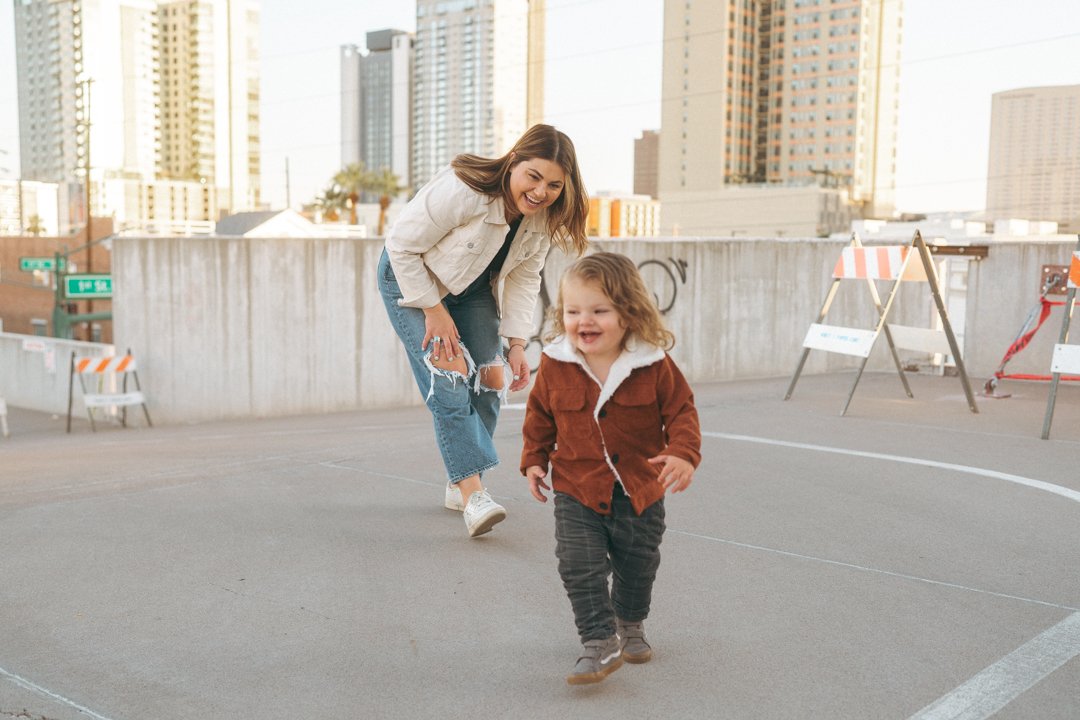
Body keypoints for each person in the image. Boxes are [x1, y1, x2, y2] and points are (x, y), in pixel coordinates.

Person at [378, 124, 589, 538]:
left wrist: (515, 344)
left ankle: (460, 481)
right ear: (513, 161)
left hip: (471, 291)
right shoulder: (466, 190)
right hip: (411, 280)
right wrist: (434, 310)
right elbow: (401, 246)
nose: (541, 191)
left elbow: (527, 278)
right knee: (450, 376)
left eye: (553, 185)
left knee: (492, 380)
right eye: (533, 176)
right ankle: (474, 494)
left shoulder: (541, 219)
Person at [520, 252, 702, 685]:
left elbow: (682, 412)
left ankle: (631, 624)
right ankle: (598, 641)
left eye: (600, 311)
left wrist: (683, 454)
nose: (585, 321)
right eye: (573, 311)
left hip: (640, 488)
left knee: (637, 565)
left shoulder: (652, 364)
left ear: (628, 313)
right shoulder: (555, 361)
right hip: (577, 486)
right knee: (576, 563)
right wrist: (533, 460)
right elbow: (539, 414)